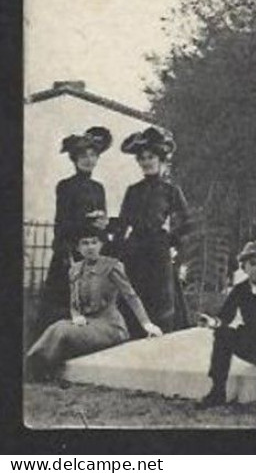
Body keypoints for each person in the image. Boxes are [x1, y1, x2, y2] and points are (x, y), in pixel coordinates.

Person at [27, 222, 161, 381]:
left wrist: (147, 324)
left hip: (111, 327)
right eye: (85, 243)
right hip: (88, 325)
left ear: (101, 245)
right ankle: (31, 366)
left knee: (63, 330)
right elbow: (74, 301)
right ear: (78, 248)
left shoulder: (112, 266)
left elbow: (130, 296)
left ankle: (36, 370)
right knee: (55, 327)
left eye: (94, 242)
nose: (90, 247)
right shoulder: (75, 270)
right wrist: (76, 315)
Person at [199, 240, 256, 414]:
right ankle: (217, 390)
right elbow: (225, 317)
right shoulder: (240, 289)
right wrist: (213, 323)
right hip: (251, 344)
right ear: (244, 267)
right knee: (223, 334)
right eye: (253, 263)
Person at [37, 126, 112, 331]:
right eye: (83, 155)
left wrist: (103, 225)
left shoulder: (99, 188)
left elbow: (102, 222)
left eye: (93, 154)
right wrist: (86, 222)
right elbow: (62, 222)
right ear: (74, 158)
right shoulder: (65, 186)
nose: (89, 159)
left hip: (92, 252)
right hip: (70, 250)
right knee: (65, 302)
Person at [117, 126, 191, 334]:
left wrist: (171, 239)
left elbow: (187, 221)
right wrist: (118, 250)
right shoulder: (133, 191)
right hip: (135, 250)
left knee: (162, 300)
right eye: (142, 158)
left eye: (150, 157)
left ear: (160, 159)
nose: (146, 162)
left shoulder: (170, 190)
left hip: (158, 250)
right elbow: (123, 223)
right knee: (134, 297)